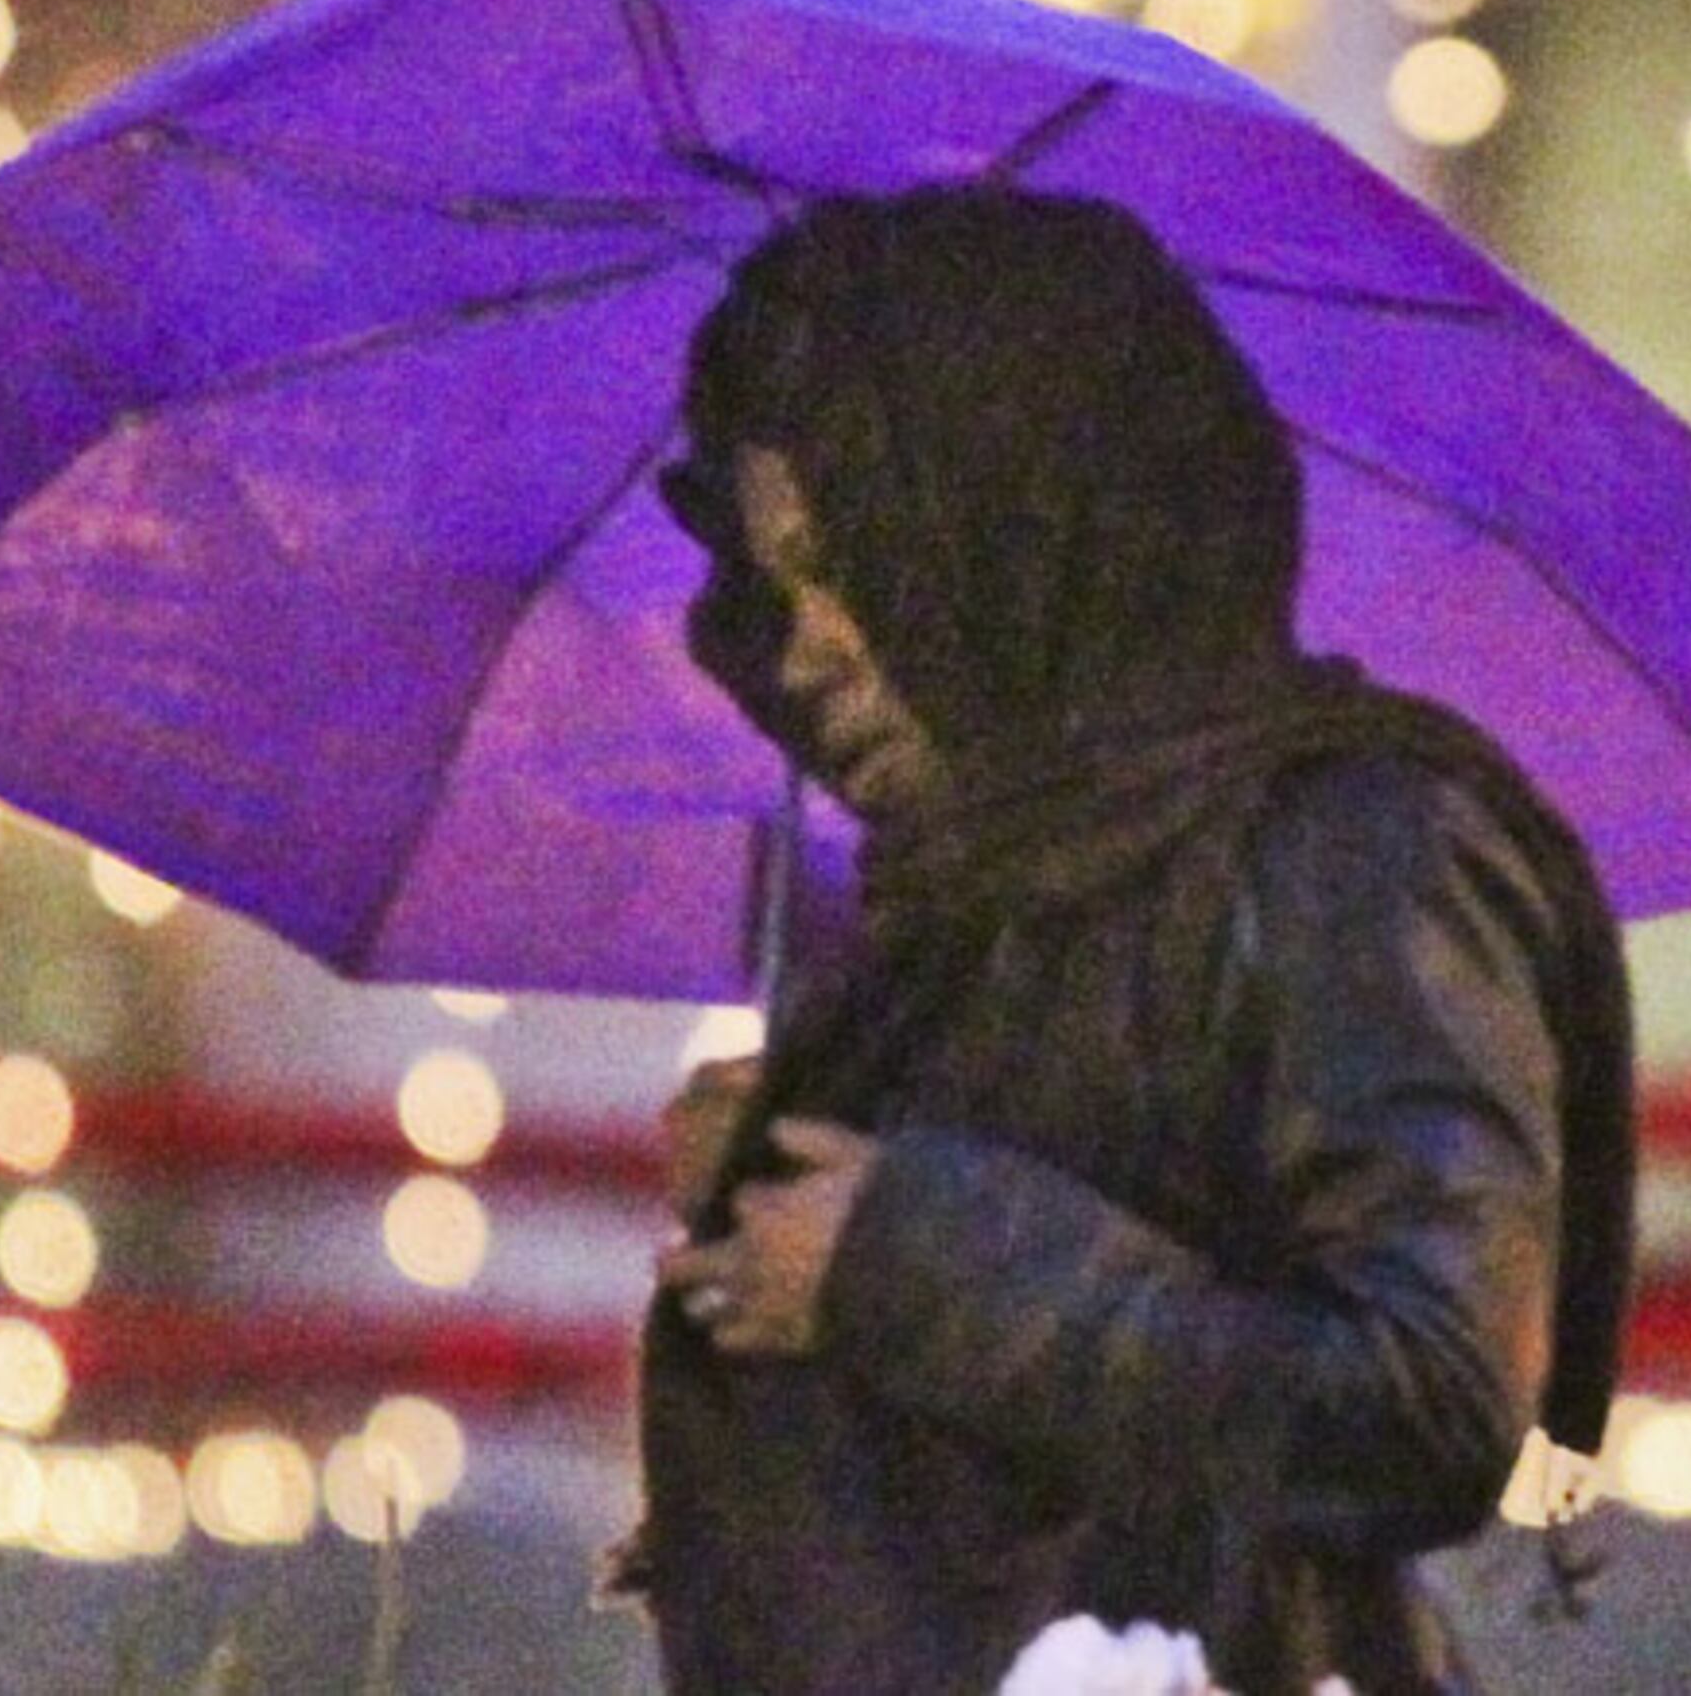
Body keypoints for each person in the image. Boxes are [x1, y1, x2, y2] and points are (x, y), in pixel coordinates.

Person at [613, 185, 1633, 1696]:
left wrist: (904, 1251)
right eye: (780, 582)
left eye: (855, 556)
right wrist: (790, 1170)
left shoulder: (1353, 841)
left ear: (1020, 522)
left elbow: (1427, 1397)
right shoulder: (954, 894)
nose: (811, 643)